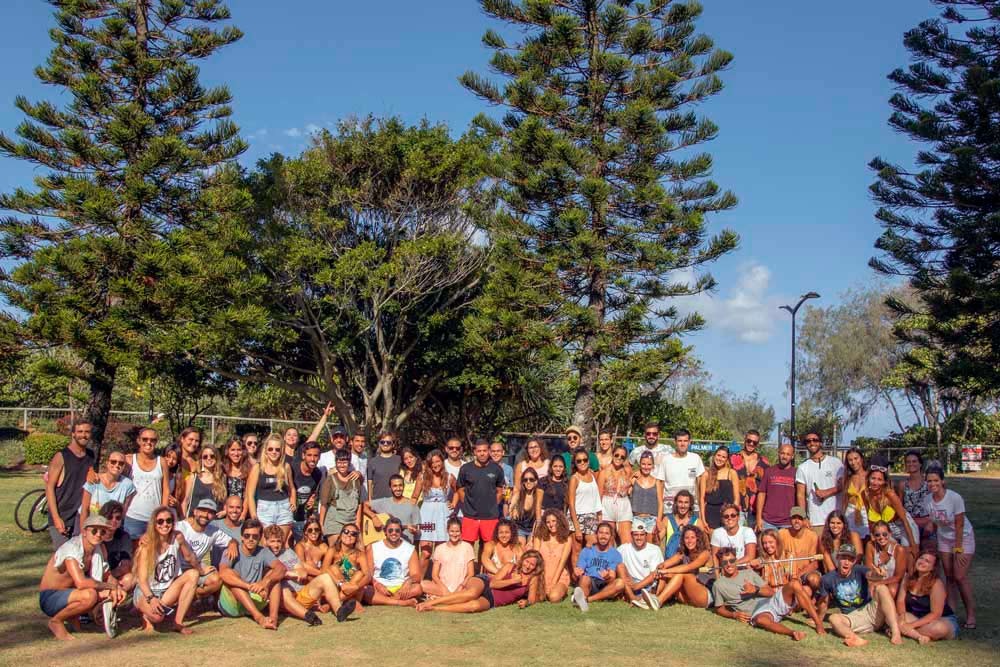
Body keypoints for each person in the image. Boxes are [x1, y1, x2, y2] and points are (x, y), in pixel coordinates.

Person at [38, 514, 126, 640]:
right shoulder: (72, 549)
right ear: (84, 531)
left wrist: (117, 588)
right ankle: (56, 621)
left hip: (69, 593)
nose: (98, 534)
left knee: (106, 593)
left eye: (103, 531)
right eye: (94, 530)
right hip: (50, 597)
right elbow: (81, 583)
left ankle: (78, 619)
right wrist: (110, 586)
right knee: (90, 595)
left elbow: (107, 575)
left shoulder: (97, 549)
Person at [133, 505, 206, 634]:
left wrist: (201, 571)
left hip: (167, 589)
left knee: (193, 574)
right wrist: (151, 598)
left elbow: (189, 557)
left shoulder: (177, 538)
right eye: (160, 521)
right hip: (147, 592)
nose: (165, 524)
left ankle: (178, 623)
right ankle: (145, 612)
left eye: (169, 521)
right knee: (157, 617)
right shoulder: (147, 546)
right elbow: (142, 580)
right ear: (154, 524)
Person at [263, 524, 354, 625]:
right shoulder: (264, 555)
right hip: (282, 600)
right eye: (272, 541)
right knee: (283, 588)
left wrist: (285, 574)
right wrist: (290, 573)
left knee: (325, 577)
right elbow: (268, 576)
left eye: (278, 541)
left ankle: (339, 611)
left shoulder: (288, 553)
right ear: (266, 542)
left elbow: (302, 573)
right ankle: (308, 616)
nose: (276, 545)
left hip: (300, 594)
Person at [818, 543, 902, 647]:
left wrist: (878, 575)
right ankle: (854, 638)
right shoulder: (827, 579)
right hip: (852, 618)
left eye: (850, 559)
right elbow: (824, 602)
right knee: (833, 618)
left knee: (882, 588)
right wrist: (818, 621)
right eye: (843, 558)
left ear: (854, 561)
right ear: (837, 558)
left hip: (870, 611)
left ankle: (896, 632)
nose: (846, 562)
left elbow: (871, 575)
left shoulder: (859, 570)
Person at [745, 537, 826, 641]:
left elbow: (794, 578)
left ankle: (818, 623)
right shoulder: (761, 559)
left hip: (785, 594)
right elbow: (759, 579)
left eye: (770, 542)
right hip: (770, 598)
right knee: (760, 620)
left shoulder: (788, 555)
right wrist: (751, 566)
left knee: (798, 586)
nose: (767, 546)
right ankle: (793, 633)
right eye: (764, 543)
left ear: (777, 542)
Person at [925, 464, 975, 629]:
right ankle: (951, 612)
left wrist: (958, 549)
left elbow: (959, 525)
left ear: (942, 481)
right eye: (929, 481)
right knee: (949, 577)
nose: (933, 484)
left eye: (936, 480)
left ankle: (970, 615)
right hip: (944, 539)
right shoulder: (928, 500)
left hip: (963, 538)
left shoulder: (954, 498)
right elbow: (934, 521)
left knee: (960, 576)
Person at [414, 552, 544, 613]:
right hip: (484, 582)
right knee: (472, 593)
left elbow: (532, 598)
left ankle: (434, 608)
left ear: (536, 567)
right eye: (527, 561)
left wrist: (526, 602)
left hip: (493, 599)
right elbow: (493, 584)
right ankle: (431, 602)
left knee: (473, 606)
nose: (528, 566)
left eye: (532, 564)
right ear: (523, 560)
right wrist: (512, 581)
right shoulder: (511, 567)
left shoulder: (532, 579)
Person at [218, 518, 286, 629]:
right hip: (232, 604)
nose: (251, 539)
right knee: (234, 579)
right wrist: (249, 586)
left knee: (275, 579)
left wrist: (265, 583)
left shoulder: (264, 552)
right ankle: (259, 618)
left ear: (260, 538)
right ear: (241, 537)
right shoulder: (231, 550)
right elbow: (223, 573)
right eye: (247, 536)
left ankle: (273, 619)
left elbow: (281, 568)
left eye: (255, 536)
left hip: (254, 599)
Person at [44, 421, 96, 548]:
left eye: (87, 432)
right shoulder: (61, 456)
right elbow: (50, 488)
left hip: (80, 518)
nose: (84, 435)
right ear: (73, 434)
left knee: (79, 557)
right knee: (64, 558)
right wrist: (56, 518)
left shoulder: (91, 456)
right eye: (80, 432)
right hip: (63, 515)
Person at [895, 551, 959, 643]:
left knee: (938, 628)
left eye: (927, 561)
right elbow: (900, 601)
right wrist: (902, 617)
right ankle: (919, 636)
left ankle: (902, 629)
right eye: (921, 558)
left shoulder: (936, 584)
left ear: (933, 568)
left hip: (940, 619)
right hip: (917, 617)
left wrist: (911, 625)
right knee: (895, 616)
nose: (922, 562)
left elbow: (936, 614)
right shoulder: (908, 577)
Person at [175, 499, 233, 600]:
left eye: (210, 512)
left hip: (195, 568)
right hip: (176, 569)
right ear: (195, 511)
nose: (206, 515)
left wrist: (233, 544)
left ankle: (191, 598)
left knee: (216, 580)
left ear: (214, 516)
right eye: (202, 510)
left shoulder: (213, 531)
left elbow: (231, 541)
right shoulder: (181, 527)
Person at [124, 428, 172, 545]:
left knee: (153, 553)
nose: (148, 442)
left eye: (152, 440)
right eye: (145, 439)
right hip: (132, 516)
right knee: (133, 554)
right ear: (138, 441)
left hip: (154, 518)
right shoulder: (129, 460)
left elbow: (165, 489)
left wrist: (163, 513)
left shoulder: (161, 462)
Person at [245, 434, 296, 544]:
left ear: (282, 451)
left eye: (277, 449)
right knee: (266, 545)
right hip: (264, 509)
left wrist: (293, 500)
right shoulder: (258, 468)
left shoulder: (285, 467)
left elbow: (292, 488)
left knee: (280, 544)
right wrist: (253, 515)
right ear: (266, 451)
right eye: (271, 449)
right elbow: (250, 495)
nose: (274, 452)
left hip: (283, 508)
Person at [364, 517, 422, 606]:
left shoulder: (410, 549)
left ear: (401, 532)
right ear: (385, 532)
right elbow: (368, 574)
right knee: (365, 589)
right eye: (390, 530)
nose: (393, 533)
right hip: (379, 587)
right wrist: (377, 585)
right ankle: (400, 602)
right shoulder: (373, 547)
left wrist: (408, 582)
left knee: (418, 588)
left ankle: (385, 600)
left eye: (397, 530)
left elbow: (416, 575)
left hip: (401, 587)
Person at [456, 439, 505, 548]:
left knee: (488, 548)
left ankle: (484, 566)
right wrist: (468, 503)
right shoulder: (465, 469)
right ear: (474, 452)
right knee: (467, 547)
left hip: (490, 516)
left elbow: (500, 491)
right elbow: (460, 488)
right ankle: (470, 566)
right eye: (479, 451)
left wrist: (492, 505)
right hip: (470, 516)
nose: (482, 453)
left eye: (484, 450)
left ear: (489, 451)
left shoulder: (497, 469)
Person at [795, 431, 844, 537]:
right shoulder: (802, 468)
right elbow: (800, 495)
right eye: (808, 441)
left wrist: (826, 492)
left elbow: (843, 485)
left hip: (837, 520)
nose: (812, 443)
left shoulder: (836, 463)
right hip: (816, 522)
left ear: (821, 443)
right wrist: (804, 517)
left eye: (815, 440)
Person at [864, 457, 918, 552]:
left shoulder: (890, 495)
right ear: (868, 478)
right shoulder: (865, 494)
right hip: (887, 529)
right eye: (873, 478)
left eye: (879, 479)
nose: (875, 482)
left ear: (884, 482)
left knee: (908, 553)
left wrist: (913, 545)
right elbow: (870, 521)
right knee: (888, 554)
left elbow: (904, 519)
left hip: (904, 526)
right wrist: (872, 537)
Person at [571, 522, 625, 612]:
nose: (603, 536)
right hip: (590, 583)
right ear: (596, 535)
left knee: (620, 583)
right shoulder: (587, 551)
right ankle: (587, 598)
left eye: (607, 533)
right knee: (584, 578)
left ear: (611, 536)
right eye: (601, 533)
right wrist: (576, 574)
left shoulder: (615, 554)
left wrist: (607, 577)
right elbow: (577, 574)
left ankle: (587, 600)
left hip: (605, 585)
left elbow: (612, 578)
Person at [656, 525, 713, 608]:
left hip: (706, 596)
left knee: (683, 574)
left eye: (692, 537)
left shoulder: (705, 553)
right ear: (683, 540)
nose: (689, 541)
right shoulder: (682, 554)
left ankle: (658, 601)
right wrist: (661, 567)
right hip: (689, 597)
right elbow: (665, 564)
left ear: (698, 539)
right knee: (665, 574)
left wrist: (667, 570)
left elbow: (689, 567)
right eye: (686, 538)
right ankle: (655, 597)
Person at [79, 448, 135, 530]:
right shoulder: (94, 480)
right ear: (107, 463)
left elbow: (122, 513)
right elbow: (84, 510)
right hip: (89, 521)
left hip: (110, 525)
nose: (117, 465)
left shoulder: (127, 485)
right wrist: (83, 531)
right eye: (113, 462)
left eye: (121, 463)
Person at [418, 449, 456, 564]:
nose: (435, 465)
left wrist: (453, 503)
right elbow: (414, 498)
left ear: (442, 461)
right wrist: (411, 514)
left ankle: (438, 579)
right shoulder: (423, 477)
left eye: (438, 461)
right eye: (432, 463)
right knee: (426, 550)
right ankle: (418, 580)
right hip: (427, 517)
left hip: (442, 516)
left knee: (441, 551)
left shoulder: (450, 477)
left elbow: (458, 491)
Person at [421, 518, 476, 597]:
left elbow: (471, 573)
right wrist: (444, 589)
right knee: (423, 584)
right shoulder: (440, 548)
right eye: (452, 531)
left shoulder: (467, 547)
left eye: (457, 531)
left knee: (474, 590)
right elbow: (434, 575)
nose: (454, 534)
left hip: (461, 587)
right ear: (447, 531)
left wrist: (461, 586)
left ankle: (448, 597)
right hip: (442, 587)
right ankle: (450, 597)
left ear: (461, 532)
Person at [616, 522, 665, 609]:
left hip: (647, 584)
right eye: (636, 535)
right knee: (620, 566)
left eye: (642, 535)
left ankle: (645, 598)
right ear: (631, 535)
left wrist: (636, 586)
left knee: (662, 577)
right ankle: (633, 598)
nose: (639, 538)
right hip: (630, 583)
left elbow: (654, 574)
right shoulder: (623, 548)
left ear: (646, 535)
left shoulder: (654, 550)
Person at [321, 522, 371, 608]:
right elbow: (324, 569)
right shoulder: (333, 550)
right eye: (346, 531)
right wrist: (340, 583)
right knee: (333, 568)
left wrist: (355, 587)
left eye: (353, 534)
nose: (349, 535)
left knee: (360, 574)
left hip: (353, 589)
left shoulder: (359, 554)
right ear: (340, 535)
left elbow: (368, 575)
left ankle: (333, 604)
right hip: (338, 586)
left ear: (356, 538)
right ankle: (349, 602)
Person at [656, 429, 705, 515]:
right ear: (675, 442)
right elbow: (660, 484)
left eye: (685, 441)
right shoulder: (666, 460)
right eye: (680, 441)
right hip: (670, 509)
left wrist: (700, 510)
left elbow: (699, 485)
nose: (682, 444)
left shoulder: (696, 458)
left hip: (691, 508)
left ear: (689, 442)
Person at [319, 449, 363, 542]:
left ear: (349, 463)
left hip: (352, 520)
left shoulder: (355, 479)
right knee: (336, 548)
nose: (342, 465)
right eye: (339, 462)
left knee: (357, 549)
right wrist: (321, 524)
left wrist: (358, 523)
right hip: (334, 521)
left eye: (344, 462)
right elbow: (324, 504)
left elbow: (359, 503)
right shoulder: (330, 480)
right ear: (335, 463)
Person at [568, 448, 602, 561]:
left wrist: (600, 518)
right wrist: (577, 527)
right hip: (577, 517)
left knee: (593, 547)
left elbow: (596, 497)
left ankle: (589, 576)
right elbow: (571, 504)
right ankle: (576, 577)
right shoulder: (574, 478)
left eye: (584, 460)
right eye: (579, 461)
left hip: (591, 517)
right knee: (577, 551)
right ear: (575, 463)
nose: (582, 462)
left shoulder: (592, 475)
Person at [367, 474, 422, 544]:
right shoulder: (384, 502)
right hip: (386, 546)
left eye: (400, 485)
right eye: (395, 486)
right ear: (390, 488)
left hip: (405, 546)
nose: (398, 488)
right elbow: (363, 505)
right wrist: (374, 517)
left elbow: (418, 531)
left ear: (404, 486)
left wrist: (415, 531)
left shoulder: (412, 505)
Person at [534, 509, 572, 603]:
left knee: (553, 597)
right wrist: (540, 581)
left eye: (554, 521)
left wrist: (553, 583)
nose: (551, 524)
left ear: (560, 521)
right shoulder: (539, 537)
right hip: (542, 575)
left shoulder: (567, 539)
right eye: (548, 522)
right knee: (539, 597)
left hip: (559, 576)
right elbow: (535, 561)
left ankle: (562, 589)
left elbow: (562, 563)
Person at [756, 443, 797, 531]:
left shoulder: (797, 473)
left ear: (792, 456)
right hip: (768, 522)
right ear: (778, 453)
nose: (784, 456)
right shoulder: (769, 471)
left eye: (788, 454)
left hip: (788, 522)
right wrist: (759, 518)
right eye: (782, 453)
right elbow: (761, 494)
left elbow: (800, 496)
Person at [730, 429, 769, 520]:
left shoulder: (764, 462)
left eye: (754, 442)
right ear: (745, 440)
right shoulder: (732, 458)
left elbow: (767, 485)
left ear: (758, 444)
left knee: (754, 534)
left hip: (755, 508)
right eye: (749, 441)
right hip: (736, 506)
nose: (751, 444)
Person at [597, 444, 633, 544]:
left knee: (627, 541)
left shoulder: (628, 471)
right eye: (617, 455)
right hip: (607, 506)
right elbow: (599, 495)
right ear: (612, 455)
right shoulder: (604, 472)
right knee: (609, 540)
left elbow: (634, 482)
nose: (619, 458)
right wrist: (599, 515)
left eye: (622, 457)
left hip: (624, 505)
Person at [864, 520, 908, 597]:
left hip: (894, 580)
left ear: (890, 534)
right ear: (873, 536)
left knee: (891, 590)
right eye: (877, 535)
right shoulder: (870, 546)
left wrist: (879, 583)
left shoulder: (899, 549)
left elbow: (898, 576)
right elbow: (869, 570)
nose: (881, 537)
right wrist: (875, 575)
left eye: (885, 534)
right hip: (877, 578)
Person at [98, 501, 135, 592]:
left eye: (118, 518)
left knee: (129, 579)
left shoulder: (124, 537)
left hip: (114, 575)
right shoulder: (96, 536)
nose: (114, 521)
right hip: (96, 575)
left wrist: (111, 578)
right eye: (110, 517)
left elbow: (125, 566)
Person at [895, 449, 932, 540]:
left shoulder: (929, 483)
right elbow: (899, 507)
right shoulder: (902, 485)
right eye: (908, 462)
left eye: (914, 461)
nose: (911, 464)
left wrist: (930, 522)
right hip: (909, 524)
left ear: (920, 464)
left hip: (927, 523)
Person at [700, 446, 739, 530]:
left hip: (728, 515)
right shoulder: (706, 474)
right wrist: (703, 519)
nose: (720, 458)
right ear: (714, 456)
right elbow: (702, 499)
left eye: (723, 457)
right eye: (718, 455)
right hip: (711, 515)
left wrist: (733, 516)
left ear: (727, 459)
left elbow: (736, 499)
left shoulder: (732, 473)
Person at [777, 506, 820, 581]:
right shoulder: (782, 533)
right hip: (787, 572)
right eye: (794, 518)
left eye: (800, 518)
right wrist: (787, 572)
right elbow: (781, 558)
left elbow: (814, 563)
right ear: (790, 520)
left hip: (804, 572)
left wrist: (798, 576)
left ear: (804, 520)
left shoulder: (812, 536)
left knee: (814, 580)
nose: (797, 521)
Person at [182, 445, 226, 517]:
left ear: (216, 458)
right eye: (205, 457)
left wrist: (225, 511)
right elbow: (185, 501)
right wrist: (184, 521)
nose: (209, 458)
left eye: (212, 456)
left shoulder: (222, 477)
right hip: (195, 521)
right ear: (201, 459)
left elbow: (225, 501)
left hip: (215, 522)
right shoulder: (193, 477)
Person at [290, 441, 323, 538]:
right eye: (309, 455)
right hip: (286, 514)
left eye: (316, 456)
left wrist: (311, 502)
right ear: (303, 455)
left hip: (300, 516)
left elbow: (312, 493)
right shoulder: (292, 468)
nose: (312, 459)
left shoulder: (317, 474)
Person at [630, 450, 663, 541]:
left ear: (653, 466)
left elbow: (660, 503)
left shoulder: (657, 482)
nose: (646, 467)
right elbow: (626, 493)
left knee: (649, 547)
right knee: (637, 546)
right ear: (640, 464)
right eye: (643, 464)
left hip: (651, 519)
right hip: (636, 518)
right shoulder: (634, 480)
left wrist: (658, 520)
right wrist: (630, 479)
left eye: (649, 464)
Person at [710, 503, 757, 567]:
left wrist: (732, 563)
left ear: (738, 517)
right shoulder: (717, 533)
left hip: (744, 569)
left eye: (733, 515)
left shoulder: (748, 531)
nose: (729, 518)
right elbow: (715, 558)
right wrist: (718, 576)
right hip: (726, 570)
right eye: (726, 516)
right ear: (722, 519)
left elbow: (750, 556)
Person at [663, 490, 704, 558]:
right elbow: (657, 541)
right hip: (670, 561)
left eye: (686, 502)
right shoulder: (667, 519)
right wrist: (656, 534)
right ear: (676, 503)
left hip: (689, 561)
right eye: (680, 502)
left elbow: (703, 544)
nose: (683, 506)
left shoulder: (697, 522)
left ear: (690, 504)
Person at [209, 495, 244, 567]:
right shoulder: (214, 525)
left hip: (240, 571)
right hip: (218, 570)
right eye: (231, 507)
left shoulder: (246, 528)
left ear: (242, 509)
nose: (234, 510)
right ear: (225, 508)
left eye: (238, 507)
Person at [366, 431, 402, 502]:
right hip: (377, 502)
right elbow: (370, 483)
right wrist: (370, 500)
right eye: (382, 442)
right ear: (379, 444)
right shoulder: (372, 461)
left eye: (388, 442)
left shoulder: (399, 460)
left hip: (396, 502)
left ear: (393, 444)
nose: (385, 444)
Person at [842, 448, 868, 540]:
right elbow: (845, 500)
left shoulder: (870, 476)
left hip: (866, 513)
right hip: (850, 513)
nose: (853, 462)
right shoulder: (848, 478)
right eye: (850, 460)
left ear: (861, 459)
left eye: (856, 458)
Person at [509, 466, 540, 544]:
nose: (528, 482)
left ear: (536, 481)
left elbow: (538, 520)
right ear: (522, 482)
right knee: (521, 544)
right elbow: (510, 510)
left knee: (532, 547)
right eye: (525, 480)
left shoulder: (539, 496)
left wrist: (532, 537)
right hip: (519, 528)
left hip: (533, 529)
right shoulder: (518, 495)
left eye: (531, 479)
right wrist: (514, 508)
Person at [220, 437, 251, 511]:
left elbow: (248, 496)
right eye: (233, 450)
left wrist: (243, 514)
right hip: (225, 511)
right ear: (227, 451)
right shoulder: (222, 469)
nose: (236, 453)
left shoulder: (249, 470)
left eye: (239, 450)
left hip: (243, 511)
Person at [538, 454, 569, 519]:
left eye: (561, 467)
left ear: (564, 468)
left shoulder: (567, 483)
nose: (558, 469)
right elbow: (538, 504)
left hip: (560, 518)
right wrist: (538, 520)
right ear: (551, 467)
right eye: (555, 466)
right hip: (545, 518)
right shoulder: (543, 481)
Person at [175, 427, 204, 497]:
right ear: (182, 439)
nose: (194, 443)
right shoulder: (174, 459)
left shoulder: (200, 460)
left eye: (197, 441)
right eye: (191, 439)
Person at [489, 440, 514, 517]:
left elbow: (510, 489)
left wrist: (506, 504)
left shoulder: (509, 469)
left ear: (503, 452)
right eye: (493, 451)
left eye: (498, 451)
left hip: (503, 507)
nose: (496, 453)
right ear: (489, 453)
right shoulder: (485, 468)